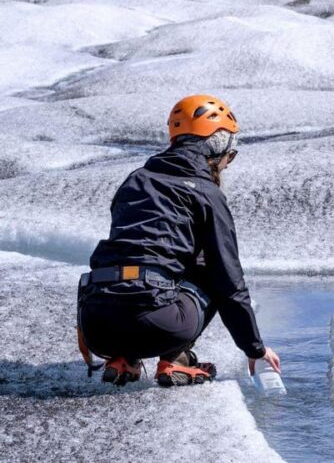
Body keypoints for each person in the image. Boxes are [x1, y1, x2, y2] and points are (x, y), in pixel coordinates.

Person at [77, 94, 281, 386]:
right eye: (230, 155)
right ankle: (175, 360)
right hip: (158, 326)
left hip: (97, 326)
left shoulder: (135, 180)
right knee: (211, 270)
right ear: (217, 147)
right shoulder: (205, 192)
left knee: (136, 267)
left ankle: (123, 358)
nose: (227, 165)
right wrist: (255, 349)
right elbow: (229, 282)